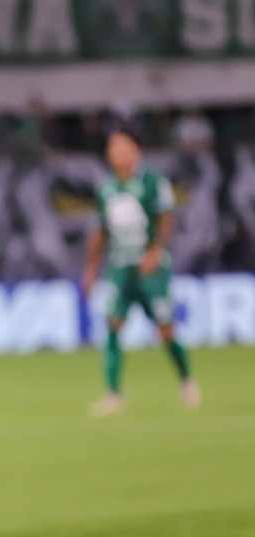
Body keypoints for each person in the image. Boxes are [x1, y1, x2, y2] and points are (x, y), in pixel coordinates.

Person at [82, 129, 199, 415]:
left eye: (123, 147)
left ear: (136, 151)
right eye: (113, 148)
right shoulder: (106, 189)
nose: (118, 153)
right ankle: (113, 395)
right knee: (112, 324)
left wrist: (156, 251)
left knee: (165, 329)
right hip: (120, 267)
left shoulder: (152, 182)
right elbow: (100, 231)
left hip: (151, 268)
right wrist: (91, 267)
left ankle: (186, 381)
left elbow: (166, 218)